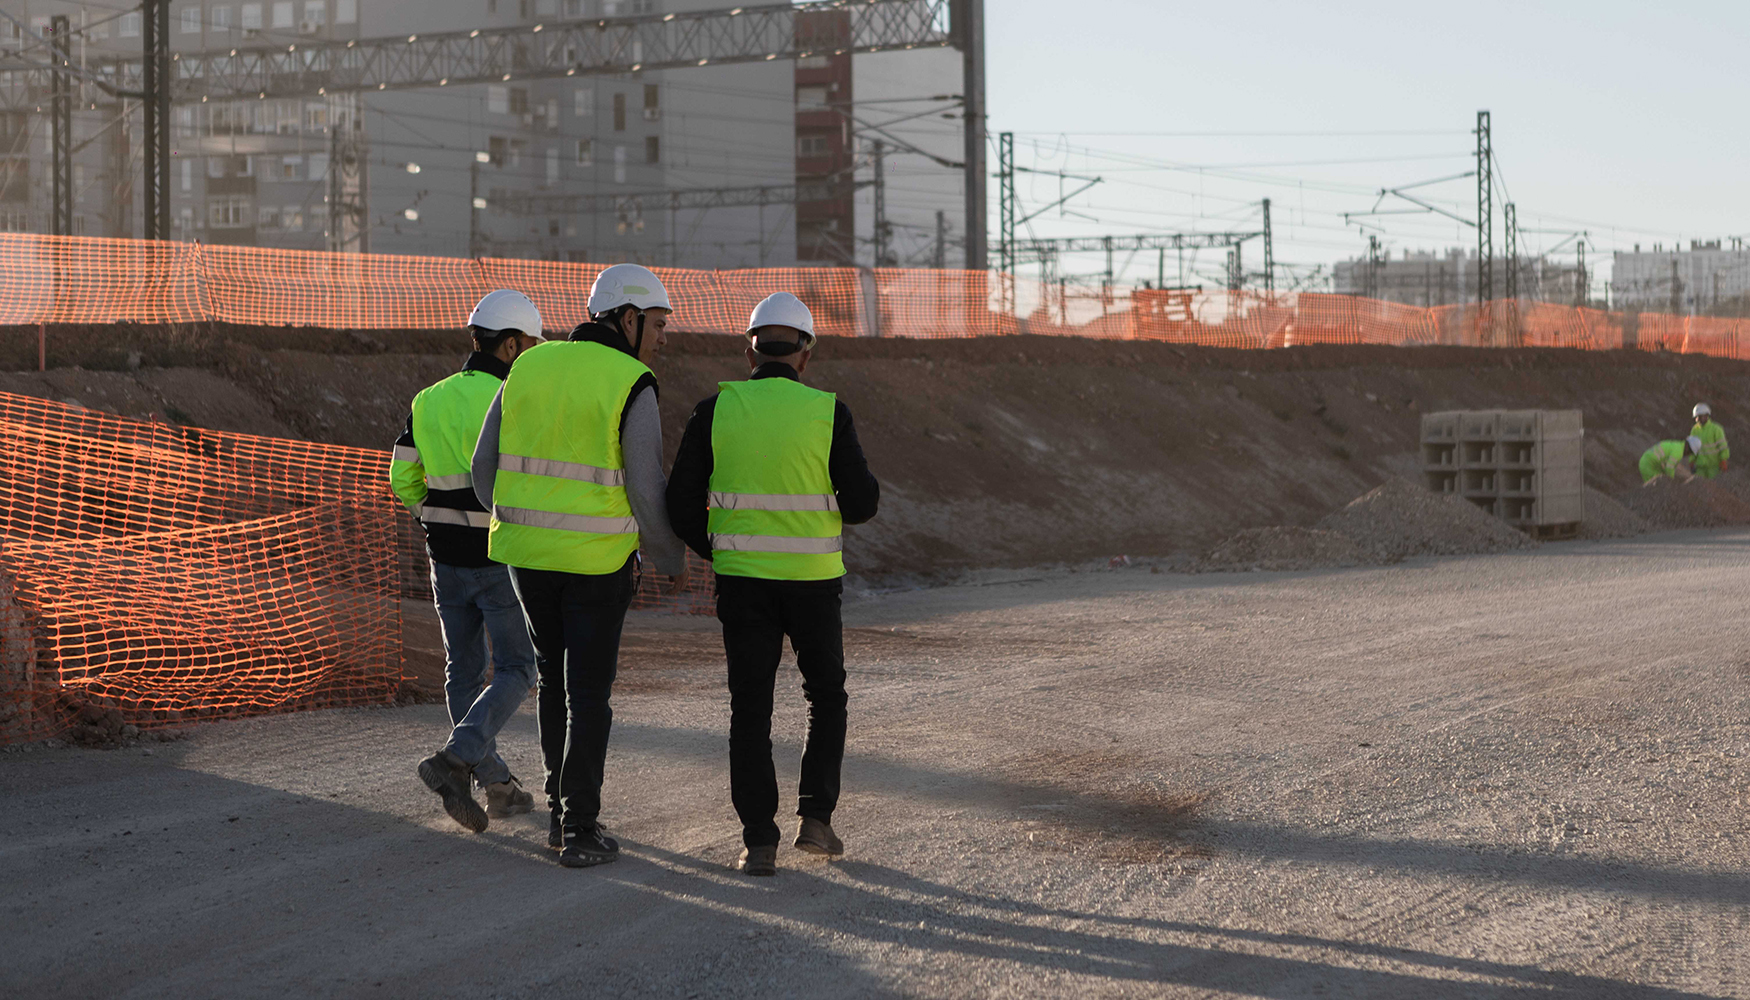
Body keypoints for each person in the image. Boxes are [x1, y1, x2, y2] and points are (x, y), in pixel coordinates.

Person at [472, 263, 689, 868]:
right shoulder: (633, 381)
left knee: (554, 678)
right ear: (628, 319)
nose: (664, 336)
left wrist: (518, 520)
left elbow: (481, 469)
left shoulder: (529, 365)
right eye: (659, 323)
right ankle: (580, 828)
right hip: (597, 564)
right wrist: (671, 557)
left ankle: (558, 813)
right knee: (589, 692)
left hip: (526, 560)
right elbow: (647, 489)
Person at [665, 292, 880, 877]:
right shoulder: (828, 412)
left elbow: (679, 503)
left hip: (744, 584)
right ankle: (816, 820)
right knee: (826, 697)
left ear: (750, 351)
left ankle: (758, 840)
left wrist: (723, 547)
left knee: (750, 707)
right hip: (812, 582)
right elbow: (862, 504)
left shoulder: (715, 410)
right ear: (805, 355)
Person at [394, 290, 544, 834]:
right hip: (498, 557)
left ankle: (498, 785)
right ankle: (454, 759)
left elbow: (402, 478)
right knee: (517, 668)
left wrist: (432, 517)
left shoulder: (428, 399)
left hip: (444, 559)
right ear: (509, 345)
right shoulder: (513, 398)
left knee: (463, 669)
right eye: (529, 344)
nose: (532, 354)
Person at [1691, 403, 1729, 479]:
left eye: (1700, 417)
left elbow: (1723, 447)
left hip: (1714, 467)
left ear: (1706, 416)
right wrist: (1691, 461)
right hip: (1700, 467)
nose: (1698, 419)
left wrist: (1723, 460)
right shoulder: (1695, 430)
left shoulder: (1716, 429)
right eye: (1697, 417)